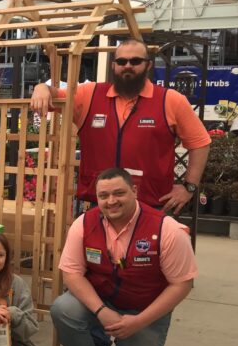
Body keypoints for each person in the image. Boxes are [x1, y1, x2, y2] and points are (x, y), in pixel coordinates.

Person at [51, 168, 197, 346]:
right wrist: (101, 311)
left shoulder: (167, 229)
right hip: (101, 302)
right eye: (103, 196)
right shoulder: (83, 223)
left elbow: (182, 284)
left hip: (143, 309)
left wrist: (139, 322)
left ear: (134, 191)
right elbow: (71, 273)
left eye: (119, 193)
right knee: (63, 308)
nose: (111, 201)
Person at [29, 38, 211, 214]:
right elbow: (56, 95)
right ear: (113, 65)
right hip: (100, 204)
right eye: (122, 61)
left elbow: (200, 143)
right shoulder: (90, 94)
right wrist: (41, 88)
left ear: (148, 65)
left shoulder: (170, 100)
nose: (128, 66)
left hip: (150, 206)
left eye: (135, 61)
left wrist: (189, 187)